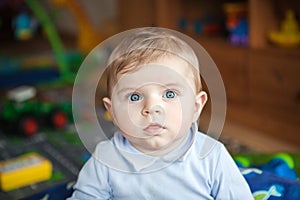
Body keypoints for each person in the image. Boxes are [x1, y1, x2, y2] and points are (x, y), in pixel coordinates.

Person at [68, 28, 253, 199]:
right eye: (134, 97)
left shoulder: (212, 157)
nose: (152, 108)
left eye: (169, 94)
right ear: (113, 112)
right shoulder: (106, 158)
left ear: (195, 107)